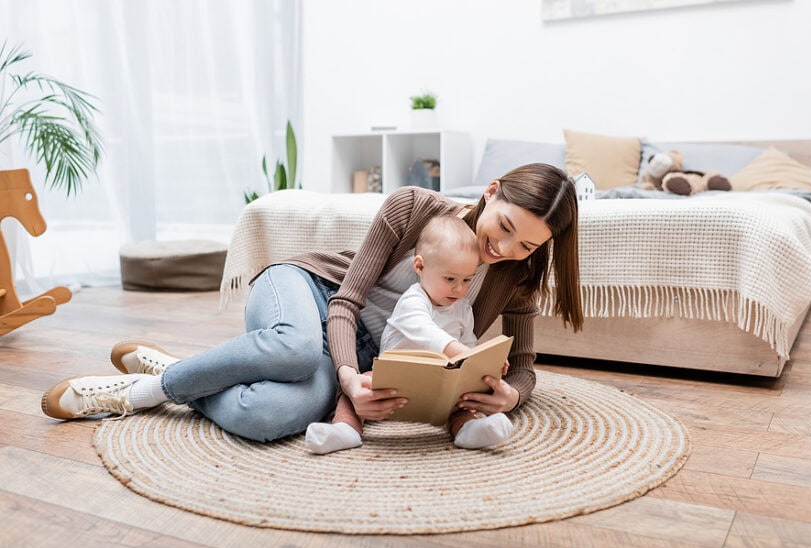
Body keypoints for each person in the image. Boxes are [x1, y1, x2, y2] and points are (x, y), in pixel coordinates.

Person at [41, 163, 583, 447]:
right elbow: (346, 301)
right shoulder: (412, 207)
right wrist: (349, 379)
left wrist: (513, 395)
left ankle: (178, 370)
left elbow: (527, 367)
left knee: (269, 416)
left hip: (360, 350)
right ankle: (138, 392)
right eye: (505, 227)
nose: (505, 249)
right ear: (491, 192)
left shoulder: (517, 277)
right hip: (306, 289)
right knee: (297, 349)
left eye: (527, 245)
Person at [305, 215, 512, 454]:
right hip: (391, 383)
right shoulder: (414, 299)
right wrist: (464, 352)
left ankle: (468, 429)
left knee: (462, 401)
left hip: (438, 386)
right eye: (450, 279)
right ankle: (345, 429)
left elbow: (468, 343)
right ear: (420, 266)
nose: (459, 288)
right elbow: (424, 330)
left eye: (467, 280)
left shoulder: (463, 308)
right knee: (356, 391)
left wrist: (485, 363)